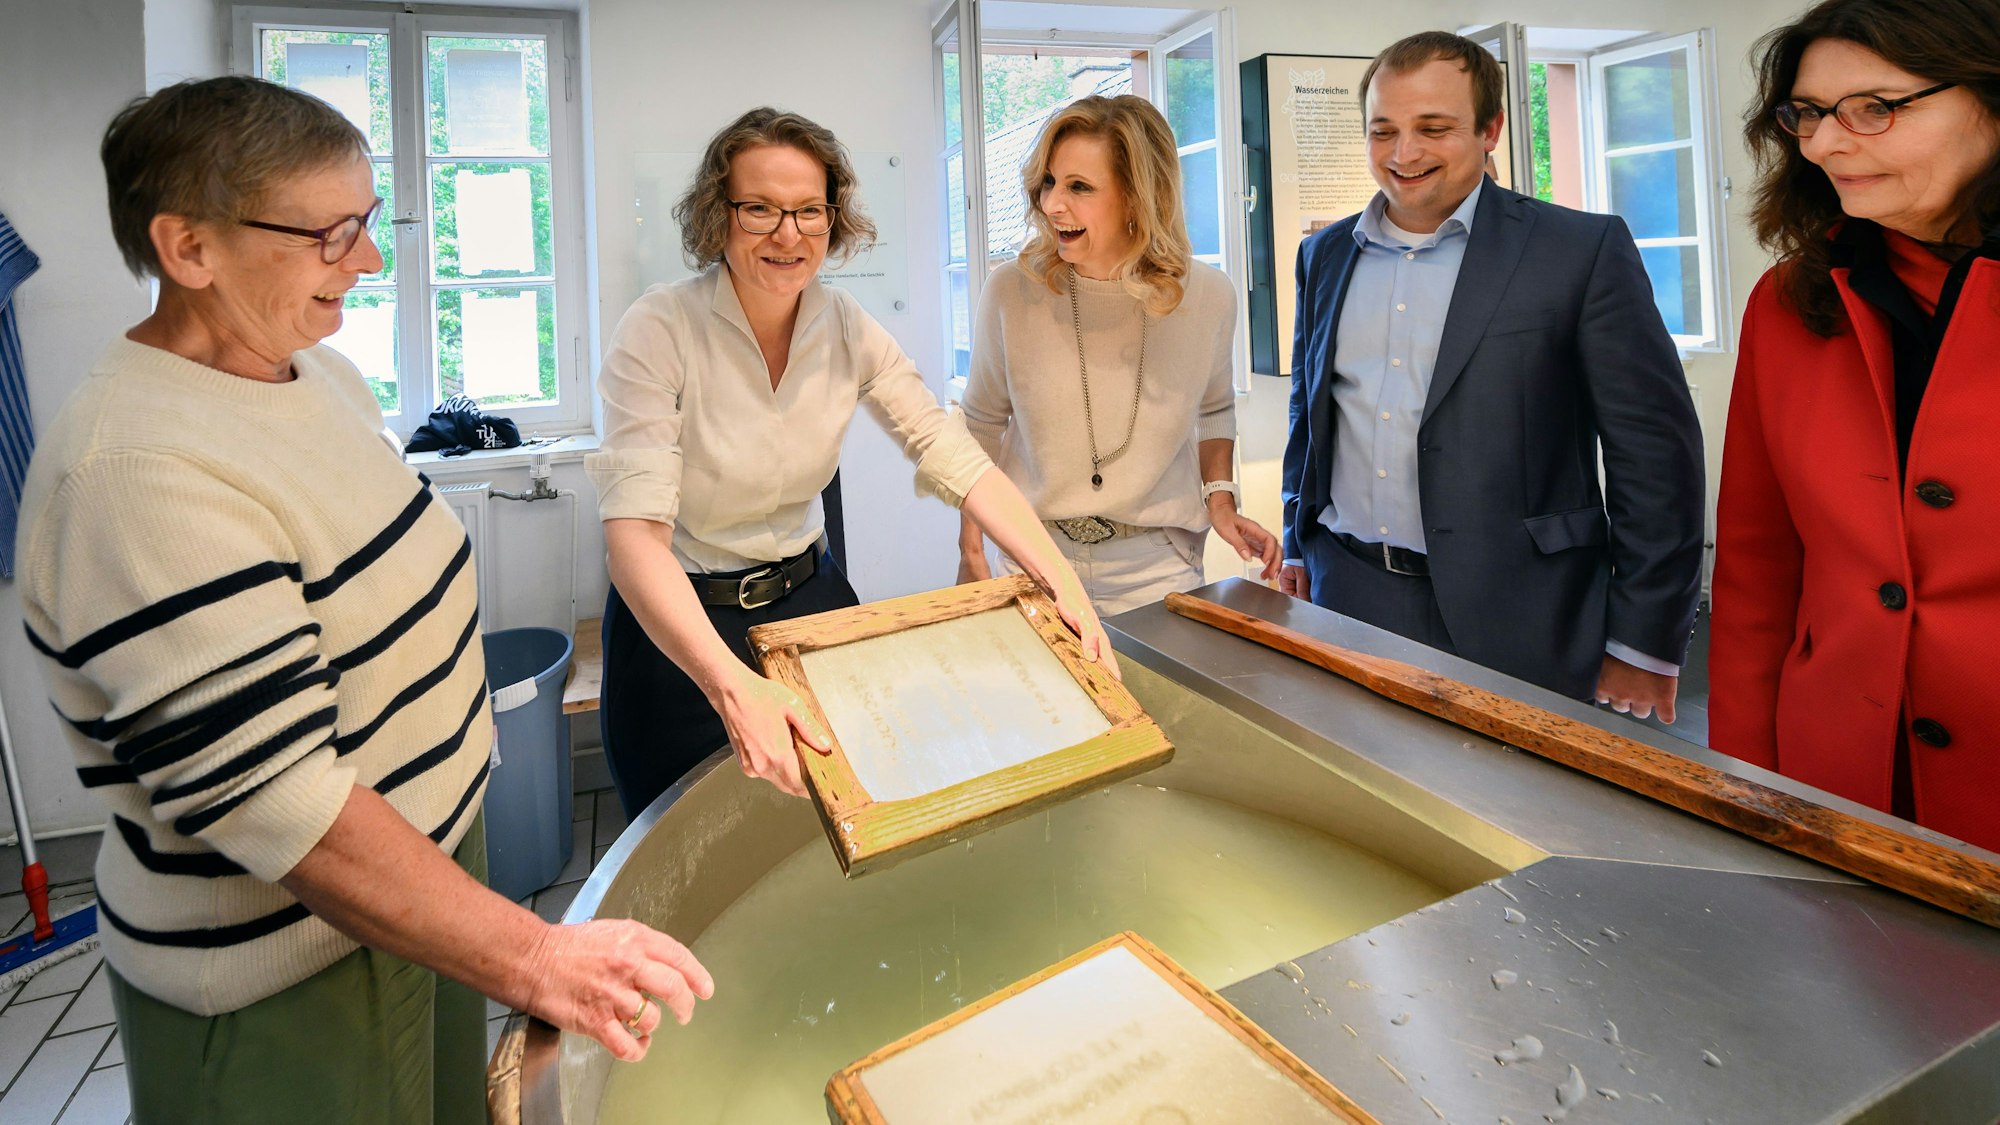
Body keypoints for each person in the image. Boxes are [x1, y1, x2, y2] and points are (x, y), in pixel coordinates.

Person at [13, 78, 709, 1123]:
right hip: (284, 971)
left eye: (369, 222)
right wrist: (533, 954)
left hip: (411, 901)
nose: (371, 261)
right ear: (187, 248)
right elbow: (279, 801)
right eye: (330, 234)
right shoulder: (133, 470)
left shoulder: (318, 377)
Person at [588, 107, 1113, 819]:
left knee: (826, 837)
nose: (788, 233)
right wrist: (730, 686)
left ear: (833, 220)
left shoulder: (843, 326)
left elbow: (950, 450)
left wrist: (1062, 585)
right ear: (719, 215)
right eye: (760, 210)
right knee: (686, 851)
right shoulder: (659, 330)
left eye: (809, 211)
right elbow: (633, 543)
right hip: (680, 637)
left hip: (810, 611)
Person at [1279, 32, 1705, 714]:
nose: (1403, 153)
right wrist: (1296, 541)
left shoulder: (1578, 251)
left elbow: (1654, 458)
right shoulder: (1324, 254)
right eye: (1382, 130)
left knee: (1525, 813)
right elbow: (1312, 410)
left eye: (1433, 128)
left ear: (1491, 129)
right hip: (1348, 596)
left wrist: (1643, 640)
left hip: (1524, 615)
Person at [1711, 0, 2000, 853]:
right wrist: (1748, 791)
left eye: (1874, 108)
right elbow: (1759, 571)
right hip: (1840, 781)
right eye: (1806, 114)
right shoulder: (1791, 301)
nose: (1825, 144)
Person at [956, 95, 1279, 613]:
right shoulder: (1011, 291)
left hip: (1157, 564)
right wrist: (970, 546)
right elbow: (982, 425)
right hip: (1035, 554)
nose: (1052, 204)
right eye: (1049, 183)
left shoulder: (1209, 296)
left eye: (1079, 187)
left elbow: (1215, 409)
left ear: (1138, 197)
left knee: (1154, 698)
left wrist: (1221, 501)